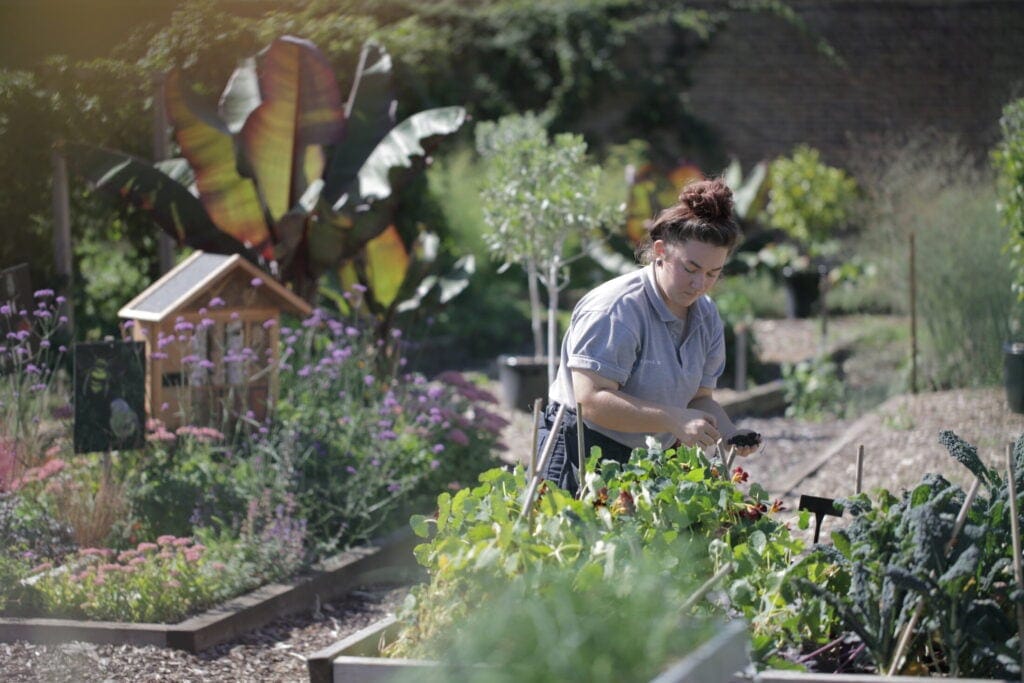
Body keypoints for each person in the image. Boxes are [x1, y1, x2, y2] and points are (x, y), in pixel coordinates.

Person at [539, 178, 762, 494]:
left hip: (651, 451)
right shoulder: (616, 309)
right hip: (583, 445)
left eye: (713, 273)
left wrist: (729, 432)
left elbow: (699, 399)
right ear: (661, 251)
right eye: (691, 268)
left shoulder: (706, 315)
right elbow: (590, 400)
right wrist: (673, 420)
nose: (700, 283)